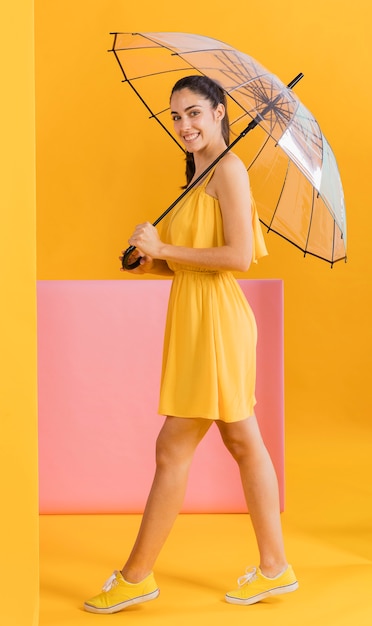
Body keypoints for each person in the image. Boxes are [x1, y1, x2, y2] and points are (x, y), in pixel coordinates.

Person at [84, 75, 298, 614]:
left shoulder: (229, 170)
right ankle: (275, 568)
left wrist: (167, 245)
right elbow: (189, 262)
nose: (185, 125)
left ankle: (136, 577)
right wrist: (149, 262)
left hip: (217, 322)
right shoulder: (197, 172)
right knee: (243, 443)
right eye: (177, 116)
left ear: (221, 113)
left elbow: (239, 257)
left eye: (196, 113)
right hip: (198, 317)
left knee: (172, 447)